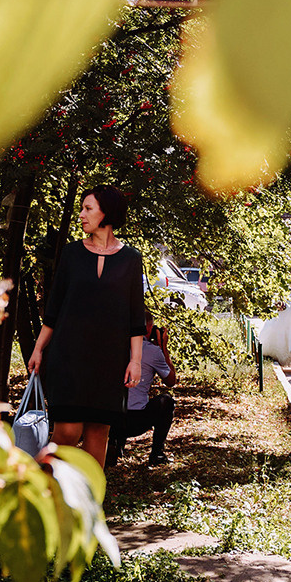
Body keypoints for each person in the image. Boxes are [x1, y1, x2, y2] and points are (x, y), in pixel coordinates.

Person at [28, 185, 146, 468]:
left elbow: (135, 316)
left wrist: (136, 361)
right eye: (81, 208)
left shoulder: (131, 258)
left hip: (109, 361)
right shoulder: (70, 254)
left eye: (88, 209)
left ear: (107, 213)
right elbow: (54, 309)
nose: (81, 215)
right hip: (68, 357)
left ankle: (89, 506)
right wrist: (38, 349)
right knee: (67, 431)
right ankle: (42, 495)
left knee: (98, 434)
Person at [107, 319, 178, 467]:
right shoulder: (152, 351)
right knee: (167, 401)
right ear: (149, 328)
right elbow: (171, 381)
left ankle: (114, 446)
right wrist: (163, 347)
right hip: (136, 420)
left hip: (109, 419)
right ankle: (157, 453)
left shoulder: (110, 346)